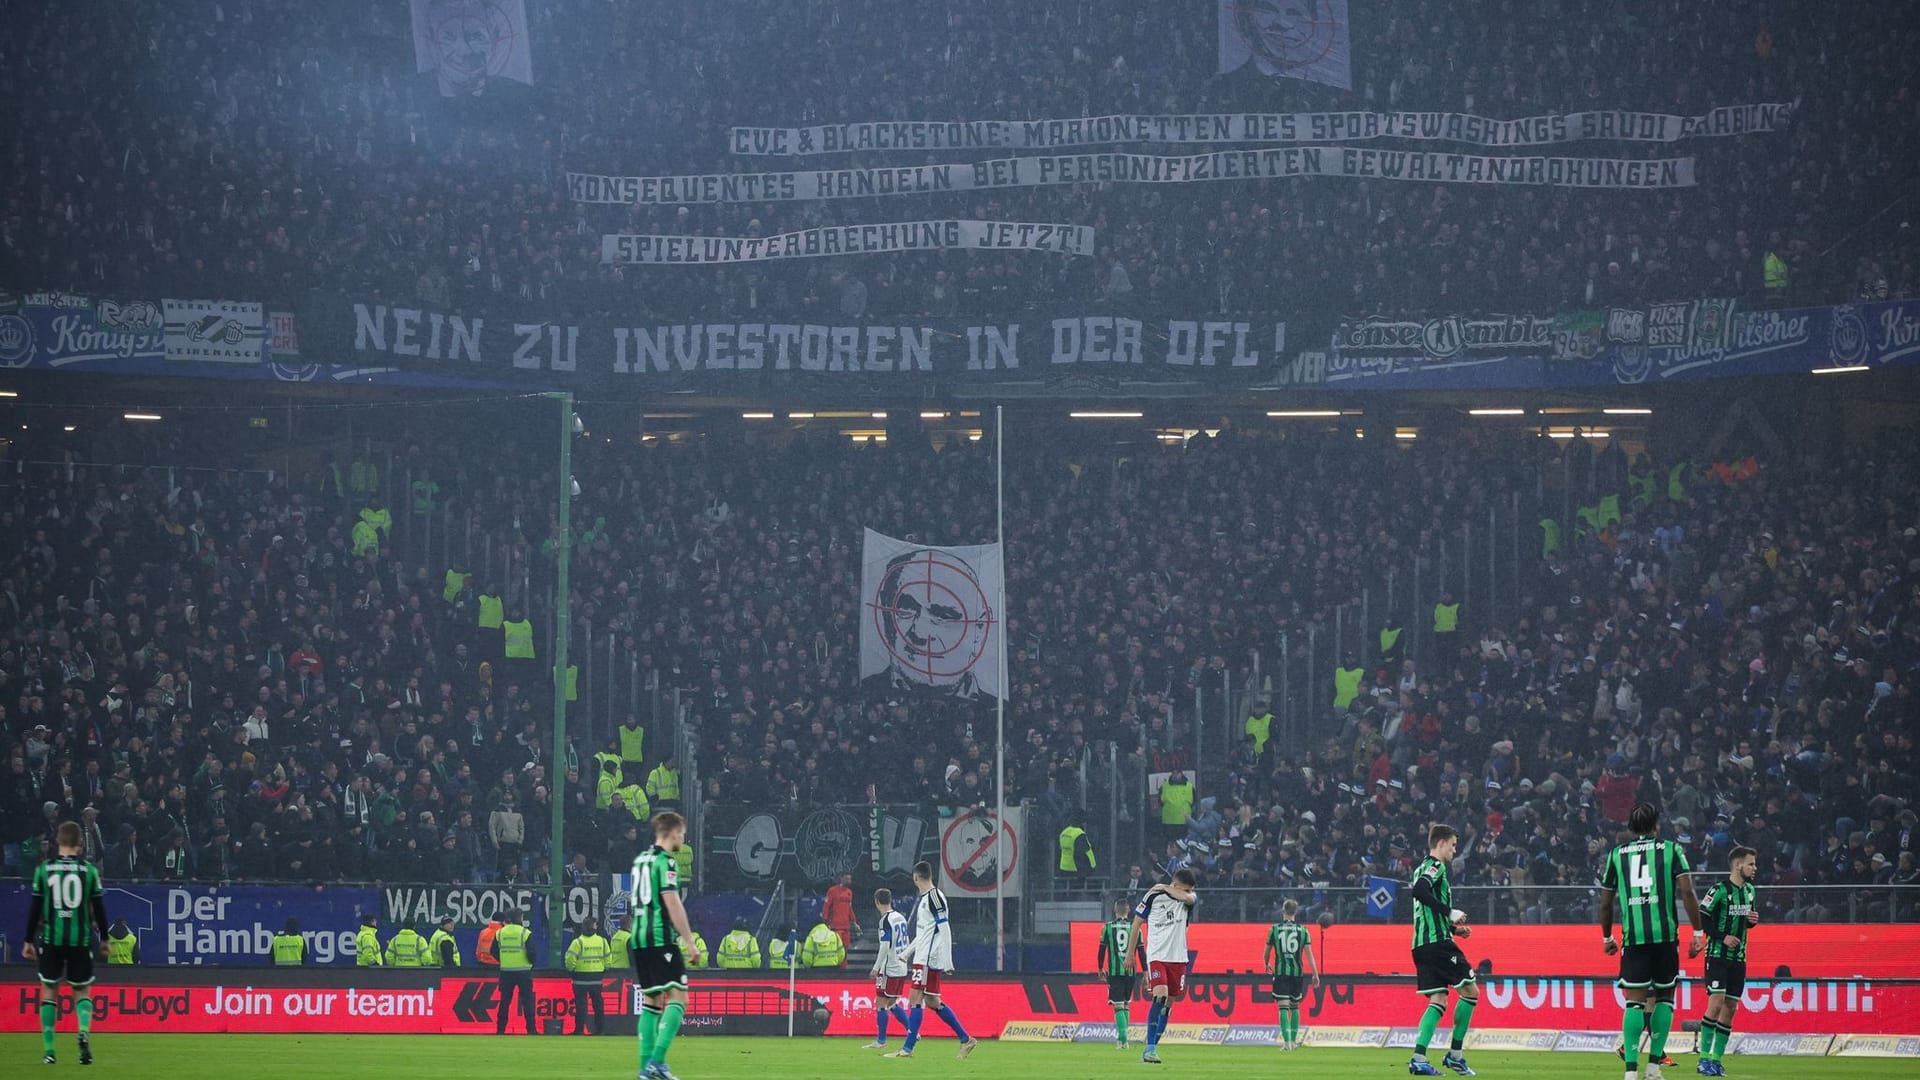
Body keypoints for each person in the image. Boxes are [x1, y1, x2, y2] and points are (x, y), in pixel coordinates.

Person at [1601, 802, 1706, 1080]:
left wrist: (1607, 936)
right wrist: (1697, 932)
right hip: (1665, 939)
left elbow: (1606, 904)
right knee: (1664, 999)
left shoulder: (1616, 855)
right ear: (1656, 825)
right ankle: (1654, 1068)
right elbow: (1687, 892)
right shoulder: (1672, 850)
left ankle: (1630, 1072)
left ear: (1631, 828)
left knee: (1634, 1002)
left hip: (1634, 939)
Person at [23, 821, 109, 1066]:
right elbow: (99, 909)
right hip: (80, 940)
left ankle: (49, 1051)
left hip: (51, 939)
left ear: (58, 842)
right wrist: (105, 938)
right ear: (80, 844)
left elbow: (35, 908)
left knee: (49, 991)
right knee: (81, 992)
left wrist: (28, 940)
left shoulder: (45, 869)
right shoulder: (88, 870)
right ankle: (82, 1032)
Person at [884, 860, 978, 1060]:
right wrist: (907, 953)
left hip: (928, 958)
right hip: (923, 955)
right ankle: (965, 1039)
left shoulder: (934, 897)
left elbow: (945, 927)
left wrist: (948, 959)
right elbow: (926, 932)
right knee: (933, 1001)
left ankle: (907, 1049)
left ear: (915, 876)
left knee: (915, 998)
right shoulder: (927, 898)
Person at [632, 811, 701, 1080]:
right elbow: (672, 902)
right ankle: (657, 1062)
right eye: (682, 833)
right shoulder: (666, 862)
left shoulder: (640, 861)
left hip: (638, 939)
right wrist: (690, 942)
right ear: (672, 832)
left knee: (651, 1001)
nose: (683, 837)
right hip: (660, 938)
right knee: (679, 997)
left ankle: (644, 1068)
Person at [1407, 824, 1477, 1077]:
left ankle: (1418, 1058)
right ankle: (1455, 1056)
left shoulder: (1420, 868)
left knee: (1439, 1000)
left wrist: (1452, 928)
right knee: (1470, 991)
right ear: (1441, 843)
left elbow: (1423, 904)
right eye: (1453, 845)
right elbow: (1420, 891)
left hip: (1423, 944)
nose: (1454, 851)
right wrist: (1449, 912)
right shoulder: (1435, 867)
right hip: (1436, 944)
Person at [1696, 847, 1759, 1077]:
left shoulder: (1750, 891)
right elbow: (1703, 916)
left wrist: (1752, 921)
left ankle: (1716, 1059)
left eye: (1754, 864)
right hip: (1717, 956)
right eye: (1751, 864)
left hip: (1739, 958)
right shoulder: (1719, 890)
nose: (1755, 868)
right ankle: (1703, 1058)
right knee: (1716, 1003)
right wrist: (1723, 937)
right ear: (1737, 865)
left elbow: (1748, 921)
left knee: (1730, 1008)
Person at [1129, 868, 1197, 1064]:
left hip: (1178, 957)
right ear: (1177, 885)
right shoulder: (1153, 895)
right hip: (1157, 954)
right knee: (1160, 995)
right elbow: (1136, 923)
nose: (1188, 892)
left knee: (1168, 1005)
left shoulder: (1188, 896)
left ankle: (1152, 1047)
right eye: (1185, 889)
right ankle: (1150, 1048)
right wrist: (1130, 954)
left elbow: (1189, 898)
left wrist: (1166, 887)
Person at [1264, 898, 1320, 1051]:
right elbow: (1309, 955)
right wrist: (1315, 974)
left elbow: (1267, 952)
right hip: (1297, 973)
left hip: (1281, 972)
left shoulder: (1274, 929)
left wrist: (1266, 963)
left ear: (1283, 911)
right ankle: (1294, 1041)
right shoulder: (1303, 931)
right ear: (1296, 912)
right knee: (1295, 1007)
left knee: (1283, 1007)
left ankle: (1287, 1042)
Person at [861, 888, 914, 1049]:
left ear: (877, 902)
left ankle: (881, 1041)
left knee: (880, 1003)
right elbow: (907, 941)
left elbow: (884, 946)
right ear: (890, 900)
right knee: (891, 1002)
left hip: (888, 968)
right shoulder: (901, 918)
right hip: (901, 967)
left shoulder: (885, 921)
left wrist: (876, 968)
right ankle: (913, 1032)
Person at [1094, 898, 1142, 1050]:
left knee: (1118, 1006)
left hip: (1115, 971)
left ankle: (1123, 1039)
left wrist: (1100, 968)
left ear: (1115, 910)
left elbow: (1101, 950)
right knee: (1126, 1004)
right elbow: (1141, 951)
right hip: (1131, 971)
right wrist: (1146, 971)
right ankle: (1123, 1040)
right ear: (1128, 911)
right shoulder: (1135, 927)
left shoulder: (1107, 927)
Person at [491, 907, 539, 1035]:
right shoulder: (525, 933)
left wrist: (505, 960)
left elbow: (493, 951)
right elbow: (532, 953)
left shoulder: (500, 933)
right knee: (527, 1001)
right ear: (520, 918)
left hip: (506, 971)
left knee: (504, 1002)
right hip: (523, 971)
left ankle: (500, 1029)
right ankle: (531, 1029)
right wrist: (529, 963)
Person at [565, 916, 612, 1035]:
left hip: (580, 979)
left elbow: (570, 959)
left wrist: (572, 970)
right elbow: (608, 959)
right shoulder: (602, 941)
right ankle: (600, 1030)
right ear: (594, 926)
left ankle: (579, 1030)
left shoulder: (577, 942)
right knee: (598, 1006)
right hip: (597, 979)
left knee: (581, 1006)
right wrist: (603, 970)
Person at [823, 872, 858, 951]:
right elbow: (826, 906)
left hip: (846, 926)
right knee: (836, 947)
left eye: (850, 879)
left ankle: (844, 964)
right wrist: (826, 921)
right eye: (846, 879)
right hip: (835, 926)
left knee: (845, 948)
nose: (849, 881)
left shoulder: (849, 892)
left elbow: (849, 908)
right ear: (841, 879)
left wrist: (854, 921)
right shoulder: (832, 891)